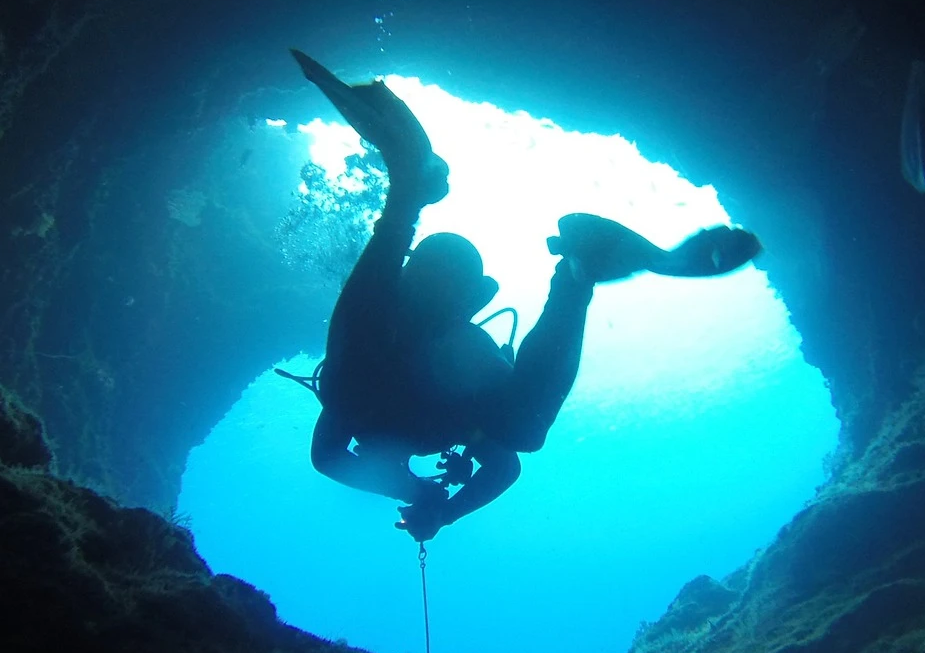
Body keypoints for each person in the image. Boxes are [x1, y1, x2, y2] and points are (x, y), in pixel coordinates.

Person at [291, 49, 761, 541]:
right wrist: (434, 505)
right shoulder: (444, 398)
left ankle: (431, 207)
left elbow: (328, 457)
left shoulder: (382, 392)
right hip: (410, 344)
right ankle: (568, 268)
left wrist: (426, 499)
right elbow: (501, 466)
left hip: (394, 344)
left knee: (362, 379)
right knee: (517, 427)